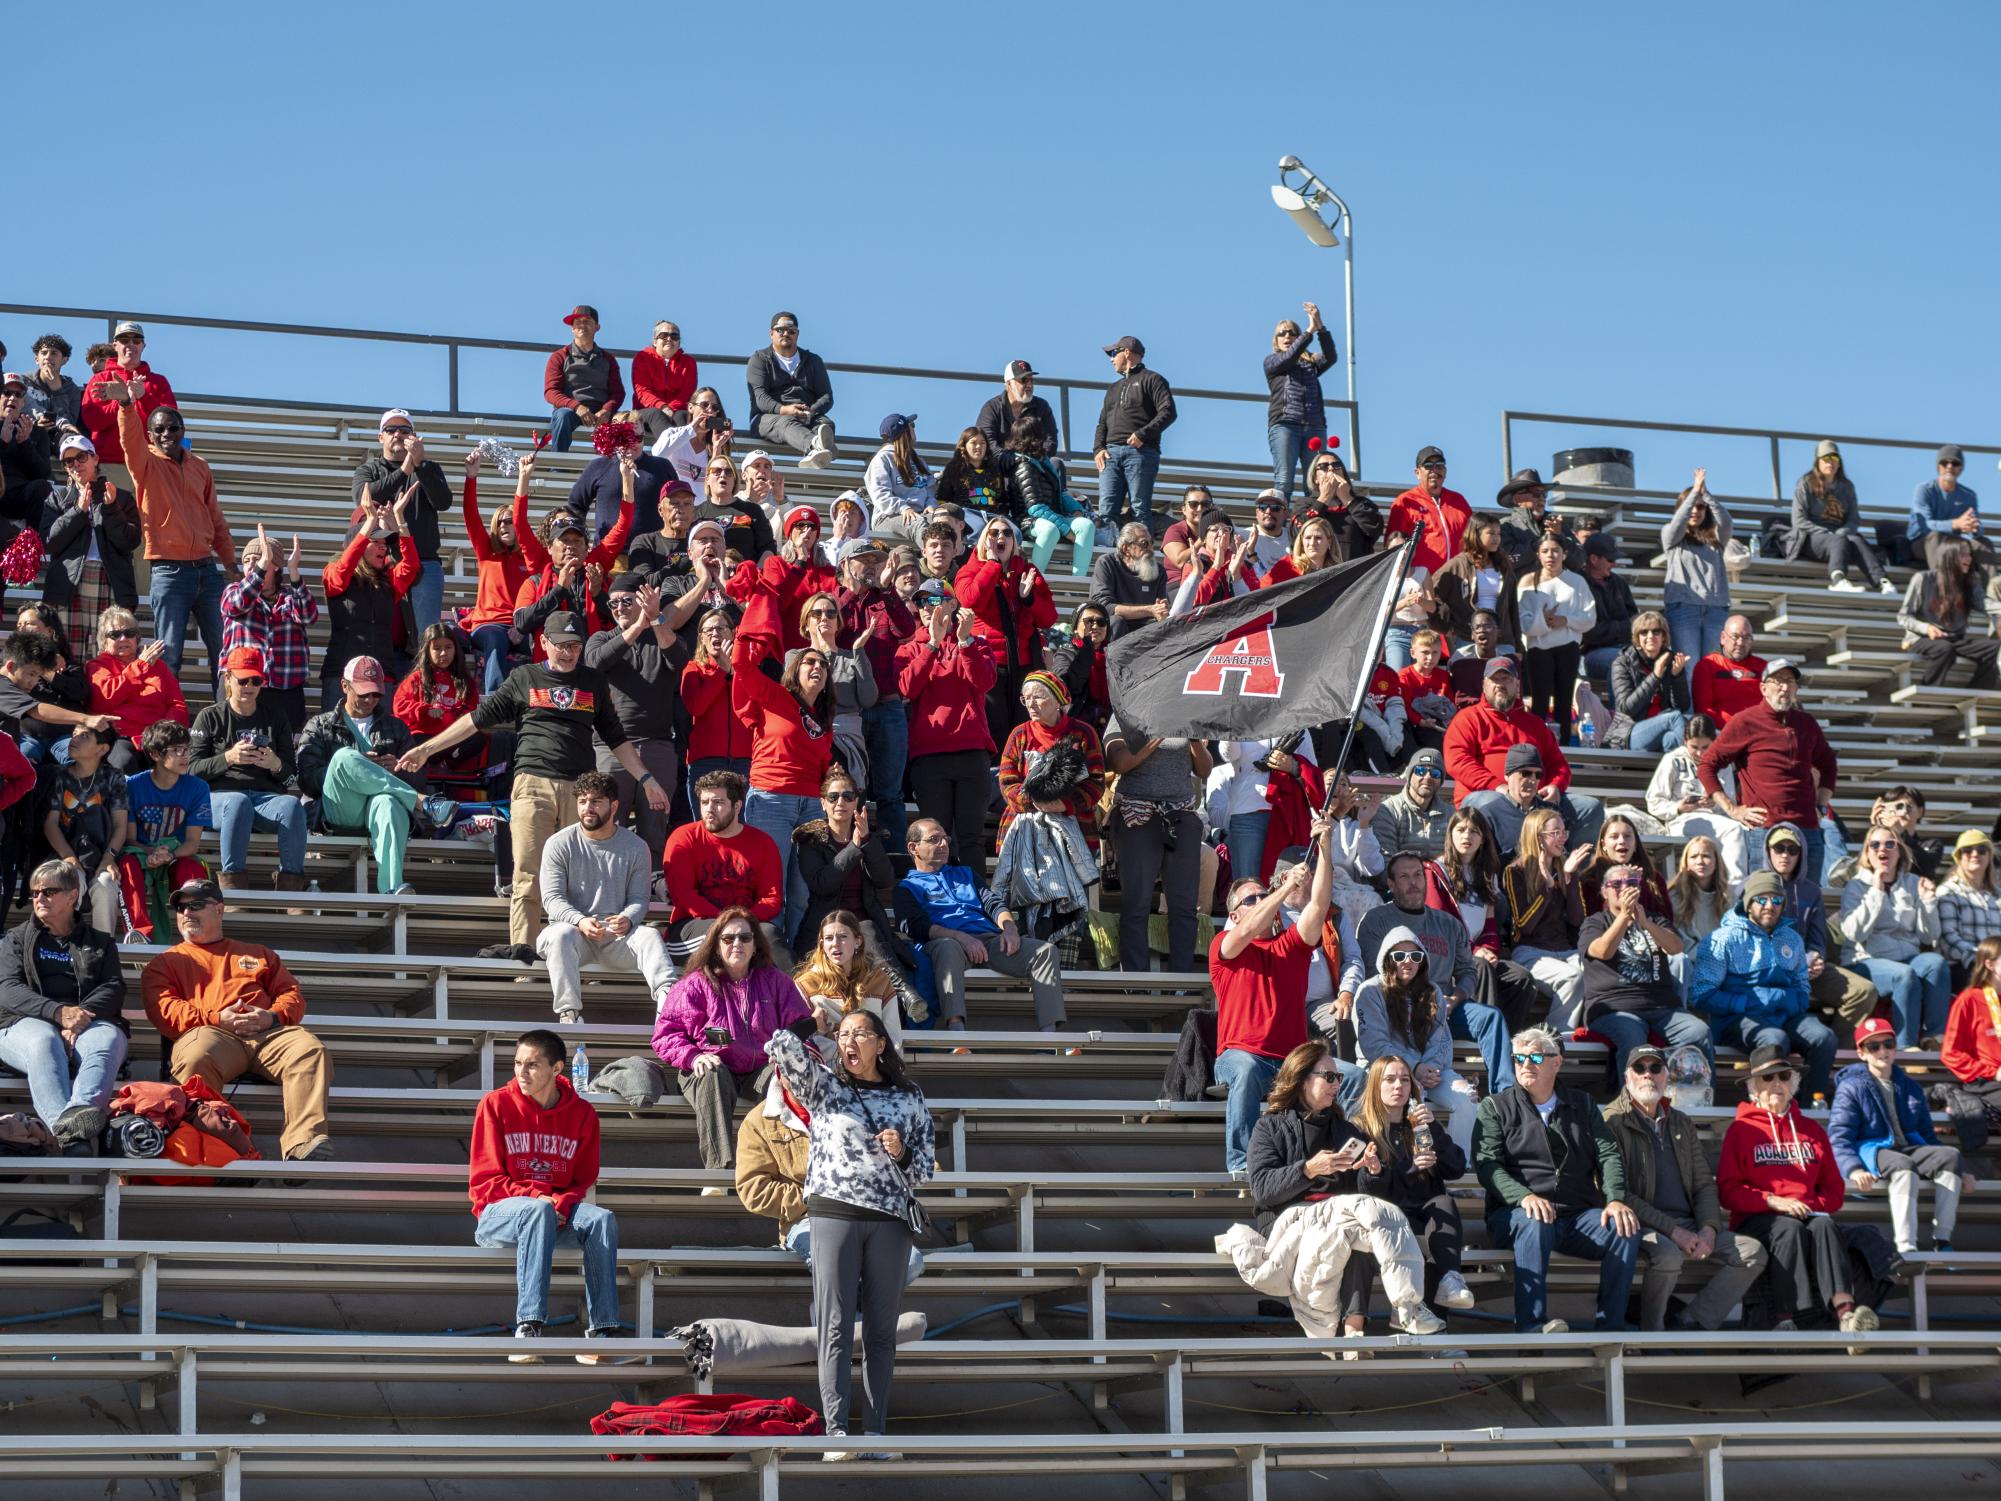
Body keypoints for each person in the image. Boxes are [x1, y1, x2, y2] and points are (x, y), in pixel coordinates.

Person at [399, 612, 667, 956]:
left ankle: (577, 954)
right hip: (532, 784)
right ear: (543, 643)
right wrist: (426, 748)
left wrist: (645, 778)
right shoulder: (525, 676)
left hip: (580, 792)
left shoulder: (593, 681)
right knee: (528, 871)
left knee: (581, 877)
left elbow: (616, 738)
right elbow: (476, 720)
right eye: (561, 645)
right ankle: (523, 953)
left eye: (575, 646)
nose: (569, 653)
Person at [764, 1011, 933, 1460]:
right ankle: (837, 1432)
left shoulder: (909, 1095)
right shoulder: (824, 1086)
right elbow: (778, 1046)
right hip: (833, 1213)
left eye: (861, 1033)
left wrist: (903, 1150)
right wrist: (811, 1023)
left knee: (881, 1330)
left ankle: (874, 1434)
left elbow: (924, 1170)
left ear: (881, 1044)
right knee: (834, 1324)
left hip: (890, 1219)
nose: (850, 1041)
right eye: (844, 1034)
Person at [1243, 1040, 1449, 1346]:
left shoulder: (1346, 1130)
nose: (1336, 1084)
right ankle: (1405, 1307)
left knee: (1363, 1234)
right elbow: (1262, 1191)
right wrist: (1309, 1169)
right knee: (1375, 1221)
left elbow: (1368, 1192)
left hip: (1342, 1220)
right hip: (1291, 1221)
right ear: (1301, 1079)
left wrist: (1372, 1171)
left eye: (1338, 1078)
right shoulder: (1269, 1127)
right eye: (1328, 1077)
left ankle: (1359, 1328)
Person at [141, 877, 330, 1163]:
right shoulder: (164, 963)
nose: (187, 913)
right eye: (181, 908)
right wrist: (217, 1018)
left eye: (196, 905)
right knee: (195, 1056)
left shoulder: (259, 953)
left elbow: (292, 995)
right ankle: (222, 1151)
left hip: (268, 1034)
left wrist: (270, 1016)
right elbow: (165, 1011)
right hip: (211, 1033)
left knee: (309, 1049)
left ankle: (302, 1143)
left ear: (219, 909)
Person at [469, 1029, 625, 1362]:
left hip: (555, 1213)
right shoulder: (495, 1105)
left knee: (601, 1219)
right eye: (517, 1063)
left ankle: (602, 1333)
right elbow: (487, 1179)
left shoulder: (582, 1114)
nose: (521, 1073)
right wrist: (539, 1199)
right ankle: (528, 1328)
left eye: (532, 1065)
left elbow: (583, 1178)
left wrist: (559, 1203)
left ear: (557, 1069)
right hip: (498, 1215)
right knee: (535, 1212)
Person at [1472, 1028, 1638, 1333]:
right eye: (1519, 1057)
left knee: (1623, 1227)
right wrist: (1523, 1196)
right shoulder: (1495, 1106)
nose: (1525, 1064)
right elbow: (1486, 1165)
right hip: (1515, 1216)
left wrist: (1614, 1199)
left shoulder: (1583, 1104)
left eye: (1535, 1056)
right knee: (1535, 1221)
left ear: (1556, 1063)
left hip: (1575, 1215)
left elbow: (1609, 1155)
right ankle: (1532, 1328)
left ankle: (1610, 1328)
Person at [1601, 1046, 1767, 1331]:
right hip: (1642, 1225)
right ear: (1627, 1077)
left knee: (1752, 1251)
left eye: (1656, 1069)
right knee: (1668, 1254)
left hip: (1689, 1224)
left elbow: (1703, 1183)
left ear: (1667, 1076)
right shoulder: (1612, 1120)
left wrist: (1709, 1228)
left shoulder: (1680, 1121)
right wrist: (1673, 1230)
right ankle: (1652, 1334)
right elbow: (1618, 1192)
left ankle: (1691, 1322)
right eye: (1640, 1069)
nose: (1648, 1075)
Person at [1716, 1045, 1877, 1333]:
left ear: (1793, 1082)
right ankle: (1785, 1317)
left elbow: (1835, 1190)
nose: (1777, 1083)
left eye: (1783, 1076)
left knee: (1825, 1226)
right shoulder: (1740, 1130)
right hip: (1758, 1218)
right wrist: (1774, 1201)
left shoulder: (1812, 1130)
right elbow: (1728, 1192)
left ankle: (1846, 1313)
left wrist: (1808, 1203)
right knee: (1788, 1228)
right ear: (1754, 1087)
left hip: (1805, 1212)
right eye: (1768, 1078)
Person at [1211, 815, 1336, 1173]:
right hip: (1240, 1057)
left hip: (1289, 1062)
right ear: (1233, 914)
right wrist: (1282, 889)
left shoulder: (1290, 946)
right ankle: (1242, 1165)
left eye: (1265, 897)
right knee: (1248, 1069)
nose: (1262, 902)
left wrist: (1324, 850)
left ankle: (1339, 1159)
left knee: (1354, 1077)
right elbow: (1248, 928)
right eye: (1253, 899)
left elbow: (1318, 906)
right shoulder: (1224, 944)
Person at [654, 910, 812, 1174]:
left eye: (744, 937)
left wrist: (785, 1054)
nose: (737, 943)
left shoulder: (777, 982)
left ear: (755, 945)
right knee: (712, 1072)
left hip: (759, 1069)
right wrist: (693, 1056)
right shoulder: (694, 984)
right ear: (716, 945)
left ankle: (792, 1170)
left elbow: (800, 1029)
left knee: (785, 1077)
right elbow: (665, 1035)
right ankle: (718, 1171)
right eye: (728, 939)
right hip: (710, 1071)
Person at [730, 578, 835, 938]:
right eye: (809, 662)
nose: (816, 667)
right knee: (770, 889)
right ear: (794, 670)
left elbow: (822, 770)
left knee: (802, 893)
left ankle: (795, 960)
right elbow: (742, 668)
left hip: (812, 808)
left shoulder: (824, 723)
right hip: (771, 799)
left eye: (822, 664)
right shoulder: (775, 697)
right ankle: (768, 959)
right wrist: (753, 617)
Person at [108, 374, 231, 679]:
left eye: (173, 428)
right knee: (169, 656)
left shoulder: (200, 466)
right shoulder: (144, 463)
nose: (167, 434)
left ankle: (224, 724)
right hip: (169, 572)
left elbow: (215, 517)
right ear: (150, 435)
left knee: (225, 654)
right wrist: (127, 404)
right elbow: (129, 438)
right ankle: (167, 725)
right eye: (159, 429)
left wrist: (230, 563)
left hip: (207, 571)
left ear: (182, 431)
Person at [0, 859, 128, 1148]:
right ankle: (70, 1133)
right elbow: (7, 989)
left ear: (72, 896)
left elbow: (114, 987)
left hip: (87, 1021)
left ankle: (76, 1118)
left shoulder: (100, 942)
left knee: (106, 1039)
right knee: (44, 1040)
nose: (39, 898)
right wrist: (57, 1013)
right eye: (34, 893)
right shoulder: (15, 939)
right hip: (21, 1023)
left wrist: (79, 1017)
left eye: (48, 891)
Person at [894, 817, 1065, 1033]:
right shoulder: (906, 887)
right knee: (948, 946)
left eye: (945, 839)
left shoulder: (965, 874)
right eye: (934, 840)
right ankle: (956, 1030)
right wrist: (960, 937)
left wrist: (1010, 929)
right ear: (913, 848)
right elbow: (914, 926)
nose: (944, 845)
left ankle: (1050, 1035)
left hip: (989, 941)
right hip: (945, 945)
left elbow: (994, 904)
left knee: (1045, 951)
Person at [534, 772, 675, 1025]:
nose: (588, 808)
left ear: (614, 805)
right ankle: (569, 1014)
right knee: (559, 935)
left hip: (616, 936)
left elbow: (639, 898)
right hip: (573, 934)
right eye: (582, 801)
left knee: (650, 936)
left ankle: (668, 1012)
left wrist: (628, 919)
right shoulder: (559, 843)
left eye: (596, 801)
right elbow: (552, 899)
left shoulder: (635, 846)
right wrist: (580, 921)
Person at [1690, 871, 1838, 1101]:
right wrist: (1745, 1002)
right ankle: (1768, 1107)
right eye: (1762, 899)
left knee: (1823, 1037)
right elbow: (1700, 994)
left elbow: (1802, 987)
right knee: (1775, 1039)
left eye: (1777, 900)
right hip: (1736, 1018)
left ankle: (1806, 1107)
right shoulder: (1722, 939)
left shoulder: (1792, 939)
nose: (1770, 905)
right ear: (1748, 903)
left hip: (1783, 1015)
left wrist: (1789, 1001)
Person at [1351, 1053, 1475, 1313]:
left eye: (1405, 1080)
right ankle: (1428, 1330)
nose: (1399, 1086)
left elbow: (1455, 1168)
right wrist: (1410, 1167)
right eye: (1390, 1080)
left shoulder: (1419, 1124)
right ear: (1376, 1085)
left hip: (1423, 1212)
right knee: (1428, 1242)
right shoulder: (1361, 1128)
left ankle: (1451, 1281)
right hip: (1385, 1215)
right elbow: (1362, 1189)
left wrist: (1434, 1132)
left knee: (1444, 1206)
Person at [1831, 1017, 1965, 1254]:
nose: (1882, 1050)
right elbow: (1840, 1136)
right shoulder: (1851, 1086)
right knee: (1902, 1164)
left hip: (1908, 1148)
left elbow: (1927, 1135)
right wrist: (1854, 1169)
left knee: (1951, 1155)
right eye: (1873, 1046)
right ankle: (1906, 1246)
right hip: (1872, 1149)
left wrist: (1961, 1171)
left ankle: (1942, 1240)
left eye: (1888, 1043)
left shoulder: (1910, 1085)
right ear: (1861, 1053)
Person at [1446, 657, 1605, 850]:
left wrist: (1555, 786)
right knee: (1489, 804)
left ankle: (1570, 872)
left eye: (1507, 679)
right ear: (1484, 684)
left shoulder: (1535, 723)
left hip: (1536, 800)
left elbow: (1558, 764)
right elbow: (1458, 761)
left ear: (1517, 684)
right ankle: (1506, 869)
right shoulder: (1468, 718)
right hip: (1488, 796)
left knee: (1590, 807)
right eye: (1495, 679)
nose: (1500, 685)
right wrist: (1498, 786)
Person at [1698, 657, 1837, 878]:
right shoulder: (1745, 721)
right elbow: (1707, 764)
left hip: (1807, 829)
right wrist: (1732, 809)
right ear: (1763, 688)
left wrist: (1820, 805)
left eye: (1790, 682)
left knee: (1806, 900)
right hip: (1764, 828)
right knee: (1765, 901)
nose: (1785, 687)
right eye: (1778, 680)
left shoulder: (1807, 723)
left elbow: (1828, 763)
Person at [295, 657, 421, 896]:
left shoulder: (396, 727)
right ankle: (421, 801)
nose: (369, 700)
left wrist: (397, 768)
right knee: (345, 757)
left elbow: (420, 777)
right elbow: (307, 780)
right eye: (363, 693)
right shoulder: (320, 725)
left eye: (375, 694)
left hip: (378, 809)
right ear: (344, 686)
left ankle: (392, 889)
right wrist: (353, 769)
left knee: (388, 802)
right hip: (340, 807)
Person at [1353, 926, 1482, 1157]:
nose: (1407, 961)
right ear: (1387, 958)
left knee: (1468, 1099)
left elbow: (1441, 1039)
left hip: (1430, 1069)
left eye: (1415, 956)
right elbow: (1375, 1046)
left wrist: (1428, 1068)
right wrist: (1413, 1069)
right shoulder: (1370, 991)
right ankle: (1413, 1166)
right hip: (1384, 1071)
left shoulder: (1432, 991)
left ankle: (1459, 1168)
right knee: (1411, 1097)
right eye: (1399, 956)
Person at [1577, 863, 1714, 1078]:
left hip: (1663, 1008)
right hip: (1614, 1008)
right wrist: (1623, 916)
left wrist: (1646, 923)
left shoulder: (1654, 919)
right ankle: (1630, 1107)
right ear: (1604, 891)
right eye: (1617, 884)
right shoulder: (1595, 922)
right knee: (1632, 1039)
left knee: (1699, 1032)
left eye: (1631, 883)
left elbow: (1676, 947)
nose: (1625, 888)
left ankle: (1697, 1101)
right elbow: (1603, 951)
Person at [189, 647, 309, 892]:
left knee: (292, 806)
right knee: (237, 801)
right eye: (243, 680)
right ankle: (232, 885)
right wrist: (228, 758)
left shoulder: (276, 717)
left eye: (256, 680)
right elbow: (190, 771)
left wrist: (275, 764)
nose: (249, 686)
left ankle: (291, 887)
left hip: (263, 799)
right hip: (217, 799)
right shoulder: (210, 717)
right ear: (228, 679)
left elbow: (292, 776)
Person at [585, 576, 684, 869]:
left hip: (658, 746)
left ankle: (650, 891)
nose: (618, 608)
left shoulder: (661, 634)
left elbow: (679, 661)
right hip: (611, 748)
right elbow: (595, 663)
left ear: (642, 601)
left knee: (654, 829)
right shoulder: (601, 638)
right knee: (606, 825)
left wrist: (654, 619)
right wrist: (637, 626)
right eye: (613, 603)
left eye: (626, 601)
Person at [897, 582, 997, 872]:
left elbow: (984, 683)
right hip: (929, 758)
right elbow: (907, 688)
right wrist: (931, 645)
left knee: (971, 838)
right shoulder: (909, 648)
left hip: (971, 752)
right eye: (922, 601)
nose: (928, 607)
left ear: (953, 605)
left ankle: (976, 908)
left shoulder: (976, 643)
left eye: (936, 600)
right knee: (933, 839)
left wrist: (963, 641)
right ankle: (938, 907)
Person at [1103, 716, 1209, 974]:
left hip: (1180, 814)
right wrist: (1160, 731)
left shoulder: (1189, 716)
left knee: (1184, 905)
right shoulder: (1125, 715)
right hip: (1137, 813)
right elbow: (1121, 763)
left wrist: (1194, 739)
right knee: (1136, 902)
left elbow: (1204, 770)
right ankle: (1135, 981)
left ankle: (1181, 983)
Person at [1835, 827, 1949, 1049]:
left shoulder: (1913, 882)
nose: (1882, 849)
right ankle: (1906, 1047)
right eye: (1874, 845)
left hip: (1907, 957)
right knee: (1903, 975)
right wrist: (1876, 892)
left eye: (1890, 844)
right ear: (1867, 852)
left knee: (1936, 963)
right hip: (1864, 961)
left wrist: (1927, 903)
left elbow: (1930, 936)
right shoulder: (1855, 886)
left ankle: (1933, 1037)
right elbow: (1854, 933)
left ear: (1899, 851)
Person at [834, 542, 916, 847]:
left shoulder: (886, 600)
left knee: (890, 794)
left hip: (887, 706)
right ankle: (848, 853)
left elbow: (907, 629)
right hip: (846, 710)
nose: (871, 566)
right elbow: (824, 628)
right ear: (844, 564)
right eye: (863, 560)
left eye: (876, 561)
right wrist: (852, 593)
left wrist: (888, 592)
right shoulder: (832, 600)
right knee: (847, 788)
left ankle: (893, 858)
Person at [1765, 822, 1878, 1040]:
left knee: (1863, 992)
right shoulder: (1754, 886)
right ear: (1768, 850)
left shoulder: (1811, 890)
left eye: (1792, 850)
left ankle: (1835, 1053)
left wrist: (1816, 957)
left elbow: (1818, 937)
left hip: (1807, 968)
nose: (1785, 855)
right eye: (1779, 848)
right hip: (1769, 970)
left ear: (1801, 854)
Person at [41, 434, 142, 660]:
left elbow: (130, 541)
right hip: (69, 584)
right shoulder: (56, 499)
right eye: (69, 461)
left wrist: (111, 508)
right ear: (66, 469)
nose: (76, 464)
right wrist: (78, 510)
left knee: (108, 656)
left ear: (95, 458)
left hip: (109, 580)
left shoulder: (121, 498)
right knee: (67, 655)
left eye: (81, 457)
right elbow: (49, 542)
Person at [663, 769, 785, 950]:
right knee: (724, 939)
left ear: (737, 806)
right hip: (694, 925)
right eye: (704, 802)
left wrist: (742, 921)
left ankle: (797, 980)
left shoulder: (762, 843)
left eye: (718, 802)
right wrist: (728, 922)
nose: (709, 809)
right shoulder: (684, 837)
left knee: (772, 937)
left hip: (747, 923)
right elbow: (684, 896)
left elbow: (771, 898)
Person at [351, 410, 450, 629]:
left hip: (424, 563)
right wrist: (405, 470)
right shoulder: (368, 469)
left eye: (404, 430)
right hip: (381, 566)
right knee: (384, 636)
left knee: (426, 639)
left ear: (413, 436)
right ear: (381, 437)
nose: (398, 434)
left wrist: (420, 465)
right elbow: (363, 497)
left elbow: (443, 502)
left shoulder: (428, 468)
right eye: (390, 429)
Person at [792, 767, 902, 964]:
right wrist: (854, 847)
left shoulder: (869, 837)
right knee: (865, 932)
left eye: (847, 796)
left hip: (865, 925)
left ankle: (904, 995)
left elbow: (884, 880)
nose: (840, 802)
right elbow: (822, 884)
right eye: (833, 797)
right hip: (826, 925)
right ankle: (907, 995)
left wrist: (867, 840)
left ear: (856, 802)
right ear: (823, 803)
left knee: (867, 930)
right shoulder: (811, 841)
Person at [322, 495, 421, 706]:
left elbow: (411, 565)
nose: (383, 547)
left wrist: (401, 522)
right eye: (375, 542)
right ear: (358, 545)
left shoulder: (388, 581)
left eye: (384, 543)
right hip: (342, 676)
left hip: (381, 677)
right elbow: (344, 567)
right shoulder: (334, 573)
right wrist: (368, 524)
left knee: (381, 738)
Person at [1496, 807, 1591, 1026]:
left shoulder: (1564, 867)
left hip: (1566, 950)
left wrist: (1570, 876)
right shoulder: (1515, 871)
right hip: (1531, 953)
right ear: (1538, 837)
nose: (1563, 838)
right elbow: (1524, 926)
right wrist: (1547, 888)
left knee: (1597, 974)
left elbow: (1578, 920)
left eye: (1564, 832)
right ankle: (1557, 1039)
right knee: (1572, 977)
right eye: (1555, 832)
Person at [117, 721, 211, 941]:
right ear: (155, 754)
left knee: (191, 870)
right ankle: (139, 932)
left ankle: (200, 932)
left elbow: (192, 843)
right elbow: (130, 838)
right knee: (127, 864)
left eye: (187, 749)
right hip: (141, 856)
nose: (185, 756)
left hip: (176, 855)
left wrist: (168, 855)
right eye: (177, 750)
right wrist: (151, 852)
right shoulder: (133, 785)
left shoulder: (198, 787)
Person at [219, 527, 318, 733]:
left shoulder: (291, 597)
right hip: (242, 683)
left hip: (286, 685)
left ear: (277, 567)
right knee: (234, 741)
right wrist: (262, 565)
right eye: (247, 561)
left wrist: (293, 571)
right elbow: (235, 605)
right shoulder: (234, 591)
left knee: (285, 746)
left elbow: (309, 616)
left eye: (260, 559)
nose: (252, 565)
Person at [996, 669, 1103, 851]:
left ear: (1058, 702)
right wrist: (1034, 801)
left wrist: (1065, 804)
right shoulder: (1019, 734)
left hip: (1074, 824)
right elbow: (1007, 781)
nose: (1031, 704)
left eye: (1037, 697)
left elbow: (1096, 781)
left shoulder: (1083, 733)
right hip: (1024, 823)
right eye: (1026, 698)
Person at [43, 721, 132, 933]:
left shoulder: (114, 777)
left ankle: (103, 950)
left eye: (84, 736)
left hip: (101, 852)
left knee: (106, 885)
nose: (74, 739)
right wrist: (69, 857)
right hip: (63, 853)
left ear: (102, 749)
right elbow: (50, 824)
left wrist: (109, 857)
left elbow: (121, 825)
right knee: (67, 881)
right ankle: (63, 945)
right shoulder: (59, 775)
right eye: (74, 733)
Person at [459, 450, 534, 692]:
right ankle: (495, 698)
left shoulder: (529, 557)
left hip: (520, 627)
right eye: (500, 521)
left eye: (509, 520)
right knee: (495, 638)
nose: (504, 525)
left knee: (547, 641)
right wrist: (471, 477)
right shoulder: (486, 551)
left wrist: (522, 629)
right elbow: (471, 516)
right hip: (488, 625)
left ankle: (544, 700)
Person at [1644, 712, 1749, 883]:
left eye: (1705, 747)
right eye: (1694, 747)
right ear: (1685, 741)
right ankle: (1734, 890)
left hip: (1716, 819)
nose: (1700, 753)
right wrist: (1678, 807)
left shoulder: (1723, 764)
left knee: (1748, 833)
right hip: (1682, 821)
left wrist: (1714, 802)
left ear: (1714, 742)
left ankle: (1741, 886)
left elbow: (1730, 802)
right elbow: (1654, 801)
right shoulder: (1672, 759)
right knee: (1734, 830)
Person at [1092, 336, 1176, 535]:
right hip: (1110, 455)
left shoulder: (1152, 379)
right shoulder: (1112, 389)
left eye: (1114, 353)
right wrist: (1098, 449)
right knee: (1106, 510)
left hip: (1140, 453)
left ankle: (1141, 558)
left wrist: (1142, 434)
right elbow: (1102, 422)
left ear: (1126, 352)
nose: (1111, 359)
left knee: (1139, 508)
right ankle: (1110, 559)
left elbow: (1169, 411)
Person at [1784, 439, 1891, 594]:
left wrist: (1844, 531)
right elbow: (1798, 520)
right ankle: (1838, 580)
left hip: (1840, 535)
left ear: (1839, 462)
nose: (1830, 462)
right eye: (1826, 458)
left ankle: (1882, 582)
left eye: (1834, 458)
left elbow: (1854, 519)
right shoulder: (1806, 483)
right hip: (1811, 537)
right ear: (1818, 462)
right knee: (1838, 539)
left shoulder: (1847, 487)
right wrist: (1826, 532)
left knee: (1857, 540)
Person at [1516, 536, 1595, 740]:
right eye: (1545, 551)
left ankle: (1565, 746)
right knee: (1539, 701)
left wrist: (1564, 620)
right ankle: (1536, 745)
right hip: (1538, 648)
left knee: (1564, 699)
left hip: (1567, 647)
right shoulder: (1528, 581)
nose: (1550, 555)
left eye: (1555, 550)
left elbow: (1589, 617)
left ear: (1564, 554)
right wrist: (1543, 620)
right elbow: (1521, 620)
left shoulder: (1577, 581)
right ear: (1538, 554)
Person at [78, 321, 176, 481]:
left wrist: (144, 397)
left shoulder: (158, 381)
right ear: (115, 345)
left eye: (136, 340)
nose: (131, 344)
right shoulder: (100, 379)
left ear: (143, 345)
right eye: (124, 340)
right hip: (110, 465)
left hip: (150, 463)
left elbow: (170, 423)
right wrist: (122, 401)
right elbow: (92, 421)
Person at [1898, 535, 1998, 689]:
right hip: (1922, 639)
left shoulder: (1970, 584)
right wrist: (1927, 628)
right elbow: (1903, 616)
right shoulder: (1923, 578)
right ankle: (1928, 692)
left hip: (1954, 640)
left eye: (1970, 554)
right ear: (1949, 556)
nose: (1969, 558)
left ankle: (1975, 693)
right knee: (1944, 649)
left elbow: (1986, 604)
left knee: (1997, 648)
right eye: (1963, 554)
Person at [1660, 468, 1735, 669]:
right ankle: (1687, 703)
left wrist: (1705, 494)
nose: (1695, 510)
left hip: (1715, 610)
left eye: (1700, 507)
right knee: (1689, 668)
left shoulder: (1716, 538)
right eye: (1690, 506)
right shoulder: (1671, 535)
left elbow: (1726, 522)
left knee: (1712, 670)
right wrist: (1694, 493)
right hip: (1683, 608)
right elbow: (1677, 525)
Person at [1263, 303, 1338, 500]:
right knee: (1284, 480)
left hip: (1314, 426)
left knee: (1315, 482)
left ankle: (1314, 525)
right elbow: (1289, 358)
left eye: (1292, 333)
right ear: (1276, 340)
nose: (1287, 336)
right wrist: (1308, 331)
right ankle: (1282, 526)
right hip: (1285, 425)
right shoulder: (1272, 362)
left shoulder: (1311, 363)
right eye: (1282, 333)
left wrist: (1320, 326)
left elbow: (1331, 356)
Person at [1006, 415, 1095, 577]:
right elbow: (1036, 509)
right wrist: (1066, 529)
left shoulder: (1044, 461)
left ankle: (1078, 580)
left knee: (1086, 525)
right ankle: (1033, 580)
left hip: (1053, 517)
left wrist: (1076, 510)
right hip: (1027, 521)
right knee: (1050, 530)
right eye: (1039, 434)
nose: (1044, 439)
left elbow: (1059, 492)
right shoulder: (1023, 466)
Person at [746, 312, 836, 469]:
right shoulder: (759, 359)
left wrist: (812, 411)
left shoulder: (813, 361)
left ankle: (816, 454)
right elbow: (759, 397)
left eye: (791, 330)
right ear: (771, 333)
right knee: (787, 422)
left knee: (826, 424)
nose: (786, 333)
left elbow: (826, 396)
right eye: (780, 330)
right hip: (768, 418)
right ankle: (816, 445)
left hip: (807, 415)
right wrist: (785, 409)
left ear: (797, 334)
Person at [1432, 515, 1520, 651]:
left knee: (1501, 673)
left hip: (1502, 639)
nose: (1496, 538)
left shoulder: (1504, 565)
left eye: (1499, 534)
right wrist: (1444, 626)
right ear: (1476, 534)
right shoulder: (1458, 564)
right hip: (1468, 638)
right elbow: (1432, 595)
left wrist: (1517, 645)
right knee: (1471, 673)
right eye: (1491, 533)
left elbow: (1513, 607)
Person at [543, 305, 623, 453]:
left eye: (587, 321)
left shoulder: (608, 359)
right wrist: (576, 406)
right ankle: (557, 467)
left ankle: (613, 470)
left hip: (601, 411)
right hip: (570, 410)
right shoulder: (559, 356)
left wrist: (606, 410)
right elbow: (550, 392)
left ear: (597, 327)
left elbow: (618, 393)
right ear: (572, 328)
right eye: (577, 322)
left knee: (625, 422)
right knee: (562, 416)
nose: (581, 325)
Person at [1607, 612, 1690, 752]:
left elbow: (1682, 706)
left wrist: (1677, 677)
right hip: (1629, 733)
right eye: (1644, 632)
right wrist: (1655, 676)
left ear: (1664, 637)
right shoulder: (1622, 663)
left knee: (1671, 738)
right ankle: (1693, 768)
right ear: (1637, 638)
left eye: (1656, 631)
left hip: (1662, 729)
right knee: (1675, 718)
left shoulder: (1670, 660)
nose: (1650, 636)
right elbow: (1626, 708)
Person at [1387, 446, 1472, 580]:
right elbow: (1394, 545)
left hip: (1457, 582)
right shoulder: (1405, 501)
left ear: (1445, 471)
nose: (1434, 470)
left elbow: (1473, 540)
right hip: (1420, 583)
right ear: (1417, 472)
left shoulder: (1459, 501)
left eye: (1439, 465)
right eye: (1428, 465)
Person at [1908, 444, 1990, 572]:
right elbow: (1925, 526)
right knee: (1934, 537)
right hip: (1922, 544)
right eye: (1945, 462)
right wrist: (1955, 524)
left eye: (1955, 463)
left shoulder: (1968, 496)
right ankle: (1942, 588)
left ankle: (1992, 591)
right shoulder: (1924, 490)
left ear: (1961, 469)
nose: (1949, 467)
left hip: (1953, 544)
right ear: (1938, 467)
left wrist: (1974, 528)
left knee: (1983, 543)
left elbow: (1976, 525)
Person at [1938, 830, 2001, 989]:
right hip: (1965, 965)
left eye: (1981, 850)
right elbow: (1949, 937)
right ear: (1958, 857)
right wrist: (1982, 959)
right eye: (1967, 850)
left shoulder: (1998, 895)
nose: (1975, 854)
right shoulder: (1948, 892)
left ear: (1988, 856)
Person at [1941, 936, 2001, 1101]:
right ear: (1990, 964)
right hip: (1987, 1083)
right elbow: (1950, 1053)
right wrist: (1994, 1073)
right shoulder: (1969, 1000)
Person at [1296, 449, 1381, 563]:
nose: (1331, 469)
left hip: (1355, 575)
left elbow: (1374, 528)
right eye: (1323, 466)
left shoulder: (1362, 503)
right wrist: (1324, 497)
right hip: (1317, 575)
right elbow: (1299, 531)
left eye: (1336, 465)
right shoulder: (1305, 504)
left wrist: (1347, 499)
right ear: (1315, 478)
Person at [1090, 522, 1168, 641]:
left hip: (1145, 626)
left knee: (1165, 626)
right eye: (1144, 543)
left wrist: (1162, 610)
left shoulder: (1159, 571)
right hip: (1115, 627)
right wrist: (1150, 610)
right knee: (1116, 621)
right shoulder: (1106, 563)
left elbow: (1160, 608)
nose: (1150, 549)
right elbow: (1104, 607)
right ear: (1126, 549)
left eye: (1151, 543)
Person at [1578, 535, 1638, 689]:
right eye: (1610, 559)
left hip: (1625, 649)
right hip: (1591, 655)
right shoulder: (1577, 583)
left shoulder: (1620, 583)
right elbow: (1588, 633)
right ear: (1593, 559)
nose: (1614, 564)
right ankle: (1620, 712)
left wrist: (1609, 629)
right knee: (1622, 662)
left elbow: (1636, 625)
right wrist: (1622, 627)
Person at [1049, 601, 1113, 740]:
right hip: (1077, 724)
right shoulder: (1066, 651)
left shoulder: (1114, 653)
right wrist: (1087, 649)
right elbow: (1066, 687)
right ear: (1076, 628)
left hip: (1111, 723)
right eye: (1088, 621)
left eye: (1101, 622)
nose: (1095, 626)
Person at [1690, 615, 1766, 728]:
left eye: (1746, 638)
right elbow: (1704, 710)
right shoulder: (1707, 665)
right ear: (1723, 638)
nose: (1740, 643)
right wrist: (1732, 729)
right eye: (1735, 636)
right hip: (1721, 733)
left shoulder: (1764, 667)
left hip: (1758, 731)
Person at [975, 360, 1059, 456]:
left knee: (1056, 463)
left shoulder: (1042, 406)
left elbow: (1051, 442)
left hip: (1035, 466)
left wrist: (1032, 461)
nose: (1029, 385)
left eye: (1031, 380)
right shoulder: (991, 408)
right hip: (1001, 466)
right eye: (1023, 380)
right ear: (1009, 384)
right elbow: (987, 442)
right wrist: (1011, 460)